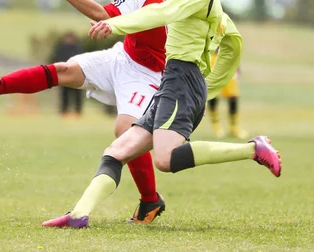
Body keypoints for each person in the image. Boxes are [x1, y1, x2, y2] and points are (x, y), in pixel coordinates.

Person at [42, 0, 282, 228]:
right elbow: (234, 44)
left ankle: (253, 149)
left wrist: (115, 24)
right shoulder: (216, 10)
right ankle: (78, 216)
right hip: (176, 81)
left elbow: (161, 13)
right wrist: (208, 88)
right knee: (117, 152)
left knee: (165, 159)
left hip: (181, 80)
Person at [0, 0, 168, 224]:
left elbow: (103, 16)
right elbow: (105, 14)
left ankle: (150, 200)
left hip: (150, 74)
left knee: (125, 130)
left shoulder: (186, 5)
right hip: (123, 58)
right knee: (63, 70)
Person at [208, 46, 247, 139]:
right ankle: (216, 126)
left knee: (233, 96)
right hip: (213, 56)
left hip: (228, 57)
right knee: (213, 94)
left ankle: (234, 128)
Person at [51, 32, 84, 118]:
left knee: (77, 94)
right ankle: (64, 111)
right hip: (64, 74)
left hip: (76, 74)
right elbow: (56, 59)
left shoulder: (77, 48)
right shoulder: (61, 48)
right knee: (64, 94)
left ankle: (78, 112)